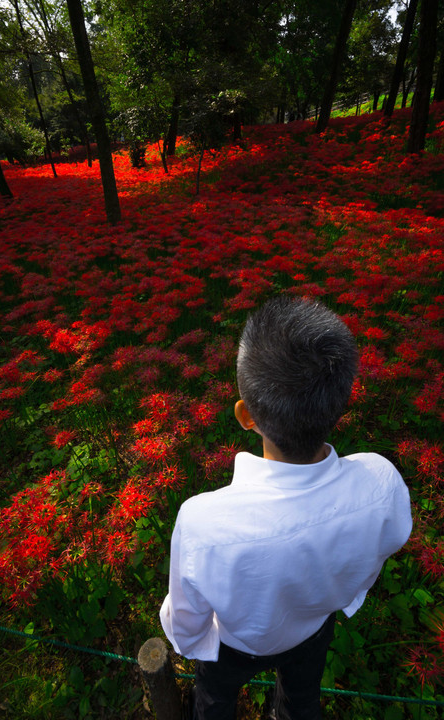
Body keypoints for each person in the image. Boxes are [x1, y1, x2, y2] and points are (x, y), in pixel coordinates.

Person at [160, 295, 413, 720]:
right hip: (314, 629)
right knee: (302, 700)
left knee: (214, 702)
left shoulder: (203, 522)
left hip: (235, 644)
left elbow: (186, 622)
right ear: (340, 402)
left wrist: (192, 645)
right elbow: (383, 549)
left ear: (245, 415)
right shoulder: (381, 481)